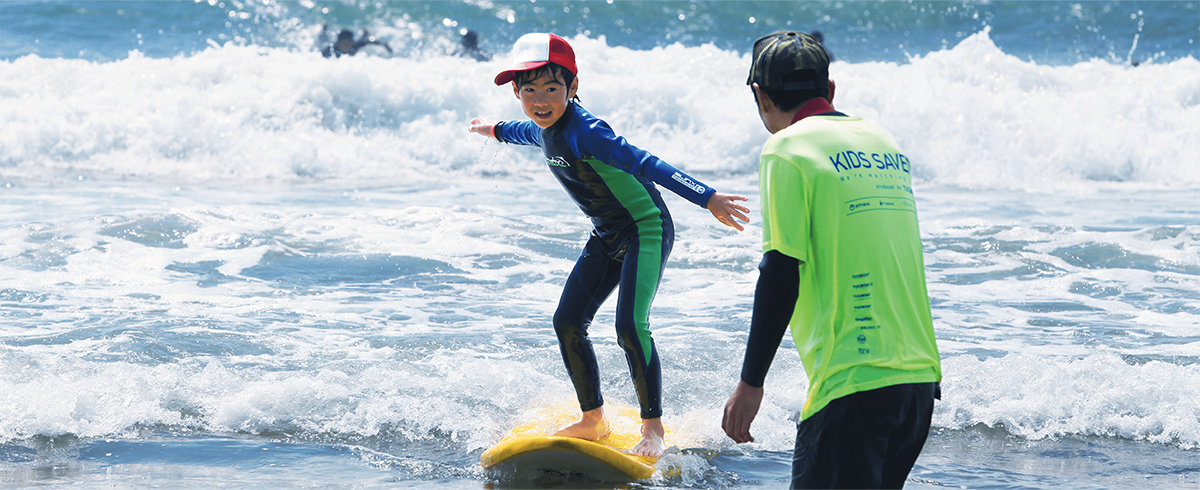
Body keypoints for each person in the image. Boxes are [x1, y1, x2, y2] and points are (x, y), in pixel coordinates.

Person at [468, 33, 750, 458]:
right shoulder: (544, 125)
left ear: (573, 88)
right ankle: (592, 419)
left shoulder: (589, 132)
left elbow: (645, 162)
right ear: (516, 91)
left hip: (645, 229)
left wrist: (707, 196)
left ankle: (653, 428)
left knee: (629, 326)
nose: (539, 100)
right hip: (606, 235)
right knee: (567, 321)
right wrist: (492, 130)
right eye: (529, 90)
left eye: (551, 89)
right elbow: (524, 130)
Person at [720, 31, 942, 489]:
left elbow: (780, 271)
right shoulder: (883, 142)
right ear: (830, 90)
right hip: (918, 382)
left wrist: (750, 383)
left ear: (760, 97)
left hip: (853, 385)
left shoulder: (787, 150)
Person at [320, 24, 392, 58]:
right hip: (328, 44)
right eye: (343, 42)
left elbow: (369, 40)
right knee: (324, 40)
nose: (346, 45)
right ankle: (324, 28)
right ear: (339, 43)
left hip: (358, 41)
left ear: (352, 42)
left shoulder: (355, 45)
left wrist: (386, 45)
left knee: (363, 37)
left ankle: (365, 32)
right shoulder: (332, 49)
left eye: (348, 42)